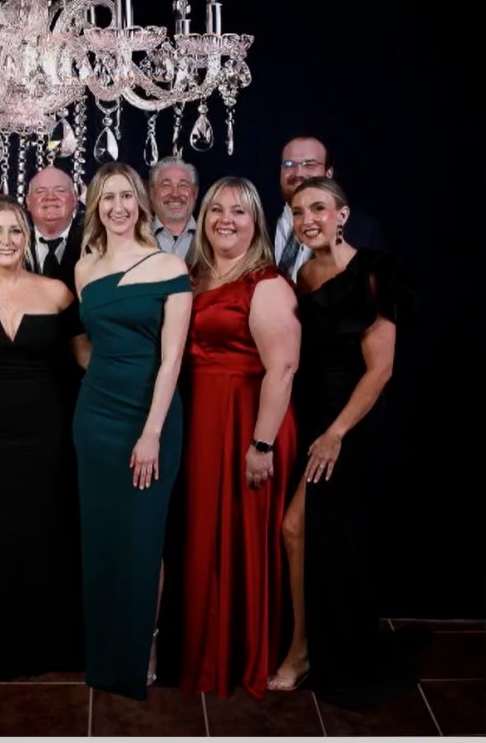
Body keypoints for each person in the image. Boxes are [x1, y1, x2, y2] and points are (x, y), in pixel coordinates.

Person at [269, 177, 426, 706]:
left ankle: (303, 648)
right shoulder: (306, 272)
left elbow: (380, 370)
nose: (308, 218)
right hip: (311, 416)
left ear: (343, 214)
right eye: (298, 212)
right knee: (327, 535)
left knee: (296, 527)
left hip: (349, 422)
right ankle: (333, 634)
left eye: (318, 208)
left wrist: (335, 434)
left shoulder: (376, 271)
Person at [167, 176, 300, 701]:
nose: (225, 218)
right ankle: (199, 654)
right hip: (200, 421)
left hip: (249, 420)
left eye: (239, 212)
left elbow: (283, 369)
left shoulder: (265, 282)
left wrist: (261, 445)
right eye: (216, 209)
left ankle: (238, 656)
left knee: (242, 537)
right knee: (201, 535)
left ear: (256, 223)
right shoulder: (193, 276)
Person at [0, 196, 90, 679]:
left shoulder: (56, 293)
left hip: (45, 426)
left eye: (15, 231)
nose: (6, 240)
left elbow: (84, 358)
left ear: (26, 237)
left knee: (43, 523)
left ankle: (50, 644)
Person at [73, 162, 191, 701]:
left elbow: (171, 362)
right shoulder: (86, 267)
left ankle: (143, 644)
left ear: (140, 203)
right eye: (107, 198)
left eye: (126, 196)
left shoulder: (171, 265)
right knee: (102, 537)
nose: (118, 207)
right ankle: (104, 649)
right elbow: (88, 343)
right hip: (95, 417)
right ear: (95, 206)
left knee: (143, 537)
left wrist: (150, 433)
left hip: (153, 416)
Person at [274, 135, 386, 282]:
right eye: (289, 165)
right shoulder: (255, 220)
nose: (299, 173)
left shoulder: (365, 230)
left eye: (310, 165)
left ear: (329, 173)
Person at [25, 166, 83, 293]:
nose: (50, 197)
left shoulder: (92, 244)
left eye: (60, 190)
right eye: (41, 191)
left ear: (74, 200)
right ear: (28, 202)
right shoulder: (13, 245)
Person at [148, 156, 199, 261]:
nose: (175, 194)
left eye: (183, 185)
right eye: (166, 185)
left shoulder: (212, 237)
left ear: (195, 193)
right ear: (152, 193)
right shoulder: (136, 237)